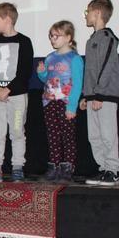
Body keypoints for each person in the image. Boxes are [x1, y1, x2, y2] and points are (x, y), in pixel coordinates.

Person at [0, 2, 34, 182]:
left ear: (8, 19)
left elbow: (25, 72)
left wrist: (8, 90)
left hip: (17, 98)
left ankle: (17, 167)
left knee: (17, 132)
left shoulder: (24, 42)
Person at [80, 0, 119, 186]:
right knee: (94, 136)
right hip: (93, 96)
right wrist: (86, 95)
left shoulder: (107, 38)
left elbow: (106, 66)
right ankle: (103, 168)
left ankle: (113, 170)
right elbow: (90, 71)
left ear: (97, 13)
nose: (86, 16)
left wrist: (99, 94)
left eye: (87, 12)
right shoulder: (91, 40)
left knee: (107, 134)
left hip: (104, 96)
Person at [37, 20, 84, 182]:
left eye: (56, 36)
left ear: (68, 37)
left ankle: (67, 167)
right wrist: (41, 73)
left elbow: (77, 84)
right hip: (49, 102)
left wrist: (72, 106)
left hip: (65, 103)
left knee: (67, 136)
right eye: (51, 36)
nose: (52, 39)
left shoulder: (74, 59)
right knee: (53, 136)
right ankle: (54, 166)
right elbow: (46, 79)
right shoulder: (50, 58)